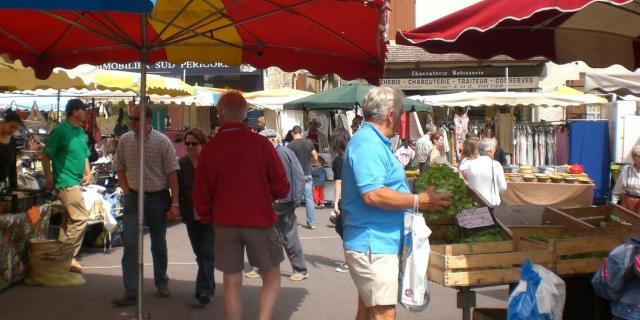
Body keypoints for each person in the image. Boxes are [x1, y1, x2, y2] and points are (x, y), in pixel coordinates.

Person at [342, 86, 452, 320]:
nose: (402, 119)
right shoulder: (367, 144)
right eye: (402, 114)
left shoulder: (375, 141)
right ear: (391, 114)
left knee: (368, 309)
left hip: (378, 242)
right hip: (373, 243)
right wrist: (417, 201)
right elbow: (372, 194)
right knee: (384, 313)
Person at [193, 92, 289, 320]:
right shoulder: (261, 144)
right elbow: (281, 184)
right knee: (272, 275)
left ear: (220, 114)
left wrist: (207, 216)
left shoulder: (210, 149)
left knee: (232, 280)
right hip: (259, 218)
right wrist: (271, 195)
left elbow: (201, 191)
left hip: (224, 222)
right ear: (246, 114)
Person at [111, 105, 181, 306]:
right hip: (134, 197)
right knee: (131, 244)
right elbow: (119, 167)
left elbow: (172, 173)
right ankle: (131, 290)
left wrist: (174, 203)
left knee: (158, 243)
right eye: (132, 119)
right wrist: (126, 191)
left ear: (148, 119)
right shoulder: (125, 140)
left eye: (137, 119)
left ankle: (161, 282)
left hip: (158, 198)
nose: (133, 122)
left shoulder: (162, 141)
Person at [42, 99, 92, 273]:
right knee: (80, 218)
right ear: (74, 111)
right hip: (66, 182)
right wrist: (49, 177)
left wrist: (88, 172)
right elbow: (46, 155)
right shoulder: (60, 132)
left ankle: (61, 259)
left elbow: (85, 154)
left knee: (68, 221)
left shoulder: (79, 131)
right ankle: (67, 256)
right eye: (83, 109)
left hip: (76, 182)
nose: (86, 112)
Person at [260, 128, 309, 281]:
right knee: (278, 234)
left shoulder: (279, 154)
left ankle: (300, 269)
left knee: (287, 235)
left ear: (272, 140)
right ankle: (268, 266)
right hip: (285, 199)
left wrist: (280, 198)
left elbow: (285, 178)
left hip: (283, 200)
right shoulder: (283, 151)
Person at [177, 128, 215, 305]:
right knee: (200, 253)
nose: (190, 146)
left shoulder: (211, 162)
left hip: (210, 214)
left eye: (194, 143)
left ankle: (203, 290)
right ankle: (209, 284)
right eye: (187, 143)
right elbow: (177, 190)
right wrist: (174, 206)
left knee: (206, 251)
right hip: (191, 216)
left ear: (203, 144)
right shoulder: (182, 164)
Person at [287, 125, 319, 229]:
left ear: (292, 133)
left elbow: (288, 161)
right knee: (309, 199)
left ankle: (291, 222)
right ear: (301, 132)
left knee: (293, 199)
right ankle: (311, 222)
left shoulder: (290, 146)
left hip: (296, 176)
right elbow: (315, 157)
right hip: (307, 173)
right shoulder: (308, 143)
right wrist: (309, 158)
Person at [329, 127, 351, 273]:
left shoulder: (339, 159)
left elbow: (339, 181)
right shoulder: (352, 154)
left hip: (346, 198)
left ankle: (349, 262)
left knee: (343, 229)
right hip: (356, 197)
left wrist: (336, 202)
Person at [466, 138, 508, 206]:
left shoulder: (470, 165)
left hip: (475, 204)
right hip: (492, 204)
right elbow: (503, 187)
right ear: (490, 151)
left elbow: (470, 184)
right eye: (494, 149)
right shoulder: (496, 165)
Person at [611, 145, 640, 213]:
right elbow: (617, 191)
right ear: (634, 158)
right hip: (628, 204)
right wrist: (613, 208)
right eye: (639, 156)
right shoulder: (627, 169)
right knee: (626, 222)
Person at [0, 110, 23, 189]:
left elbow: (12, 165)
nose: (13, 130)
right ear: (4, 122)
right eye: (11, 126)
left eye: (15, 128)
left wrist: (14, 186)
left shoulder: (12, 141)